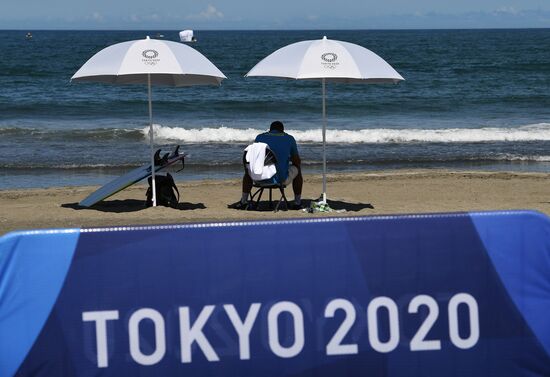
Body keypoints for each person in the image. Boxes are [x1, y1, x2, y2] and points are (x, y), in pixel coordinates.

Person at [231, 121, 303, 210]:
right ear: (282, 130)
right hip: (279, 180)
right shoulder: (289, 138)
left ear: (270, 129)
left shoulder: (260, 137)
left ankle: (244, 201)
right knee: (298, 169)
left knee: (248, 170)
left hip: (257, 178)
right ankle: (297, 202)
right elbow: (297, 161)